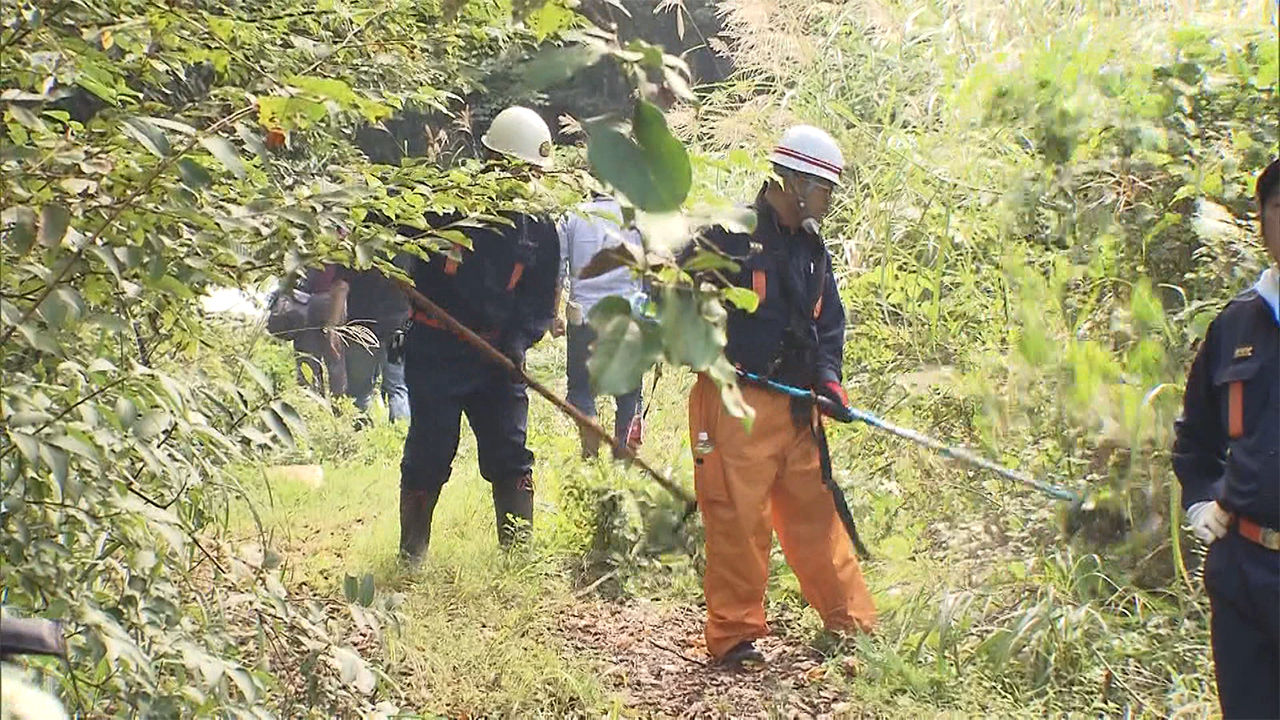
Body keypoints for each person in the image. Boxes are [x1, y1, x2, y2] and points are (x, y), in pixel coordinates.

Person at [683, 125, 876, 665]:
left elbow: (828, 323)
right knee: (740, 521)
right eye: (823, 192)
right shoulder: (726, 235)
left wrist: (829, 381)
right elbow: (672, 297)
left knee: (817, 515)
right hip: (734, 403)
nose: (828, 204)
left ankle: (852, 625)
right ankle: (735, 634)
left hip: (796, 407)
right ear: (793, 183)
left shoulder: (812, 250)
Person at [397, 106, 560, 561]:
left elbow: (541, 301)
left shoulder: (540, 227)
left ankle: (517, 557)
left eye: (534, 173)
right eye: (523, 170)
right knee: (430, 451)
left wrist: (517, 343)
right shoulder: (444, 207)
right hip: (436, 348)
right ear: (495, 162)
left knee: (510, 452)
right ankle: (412, 555)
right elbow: (395, 234)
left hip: (498, 356)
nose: (530, 180)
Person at [1172, 157, 1279, 720]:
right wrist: (1198, 501)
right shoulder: (1235, 326)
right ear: (1261, 220)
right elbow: (1196, 437)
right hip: (1243, 569)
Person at [554, 194, 647, 458]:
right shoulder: (638, 216)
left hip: (584, 318)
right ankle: (624, 463)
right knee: (629, 396)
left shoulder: (573, 216)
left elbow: (558, 271)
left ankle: (589, 425)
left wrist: (553, 315)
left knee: (580, 390)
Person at [327, 265, 411, 423]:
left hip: (361, 331)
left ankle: (360, 436)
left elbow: (341, 287)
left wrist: (332, 327)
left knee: (360, 391)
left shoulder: (357, 245)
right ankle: (401, 436)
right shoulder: (405, 244)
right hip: (397, 330)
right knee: (398, 388)